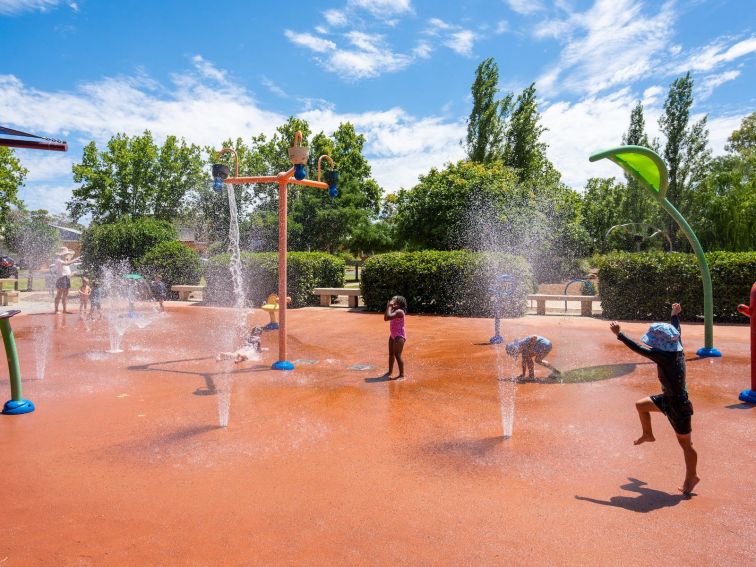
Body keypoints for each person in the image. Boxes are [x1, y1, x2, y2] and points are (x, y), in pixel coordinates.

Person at [609, 303, 699, 495]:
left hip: (679, 406)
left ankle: (692, 476)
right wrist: (674, 315)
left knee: (686, 445)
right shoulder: (676, 349)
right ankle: (648, 434)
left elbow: (639, 349)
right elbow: (677, 331)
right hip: (668, 399)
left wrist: (620, 334)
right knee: (641, 405)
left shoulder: (664, 356)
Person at [382, 295, 407, 380]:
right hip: (392, 335)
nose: (392, 301)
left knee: (397, 355)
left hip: (399, 335)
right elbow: (386, 318)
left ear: (399, 304)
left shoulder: (399, 312)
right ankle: (390, 372)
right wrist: (388, 307)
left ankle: (401, 375)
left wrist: (389, 306)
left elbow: (388, 316)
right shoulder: (394, 310)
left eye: (394, 300)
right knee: (391, 354)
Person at [53, 246, 79, 314]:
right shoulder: (58, 260)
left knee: (65, 295)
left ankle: (64, 310)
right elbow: (66, 264)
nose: (66, 255)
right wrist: (75, 260)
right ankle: (56, 310)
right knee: (59, 295)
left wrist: (71, 274)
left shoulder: (65, 260)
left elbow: (66, 269)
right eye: (65, 254)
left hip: (66, 278)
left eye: (67, 254)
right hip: (61, 279)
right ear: (62, 254)